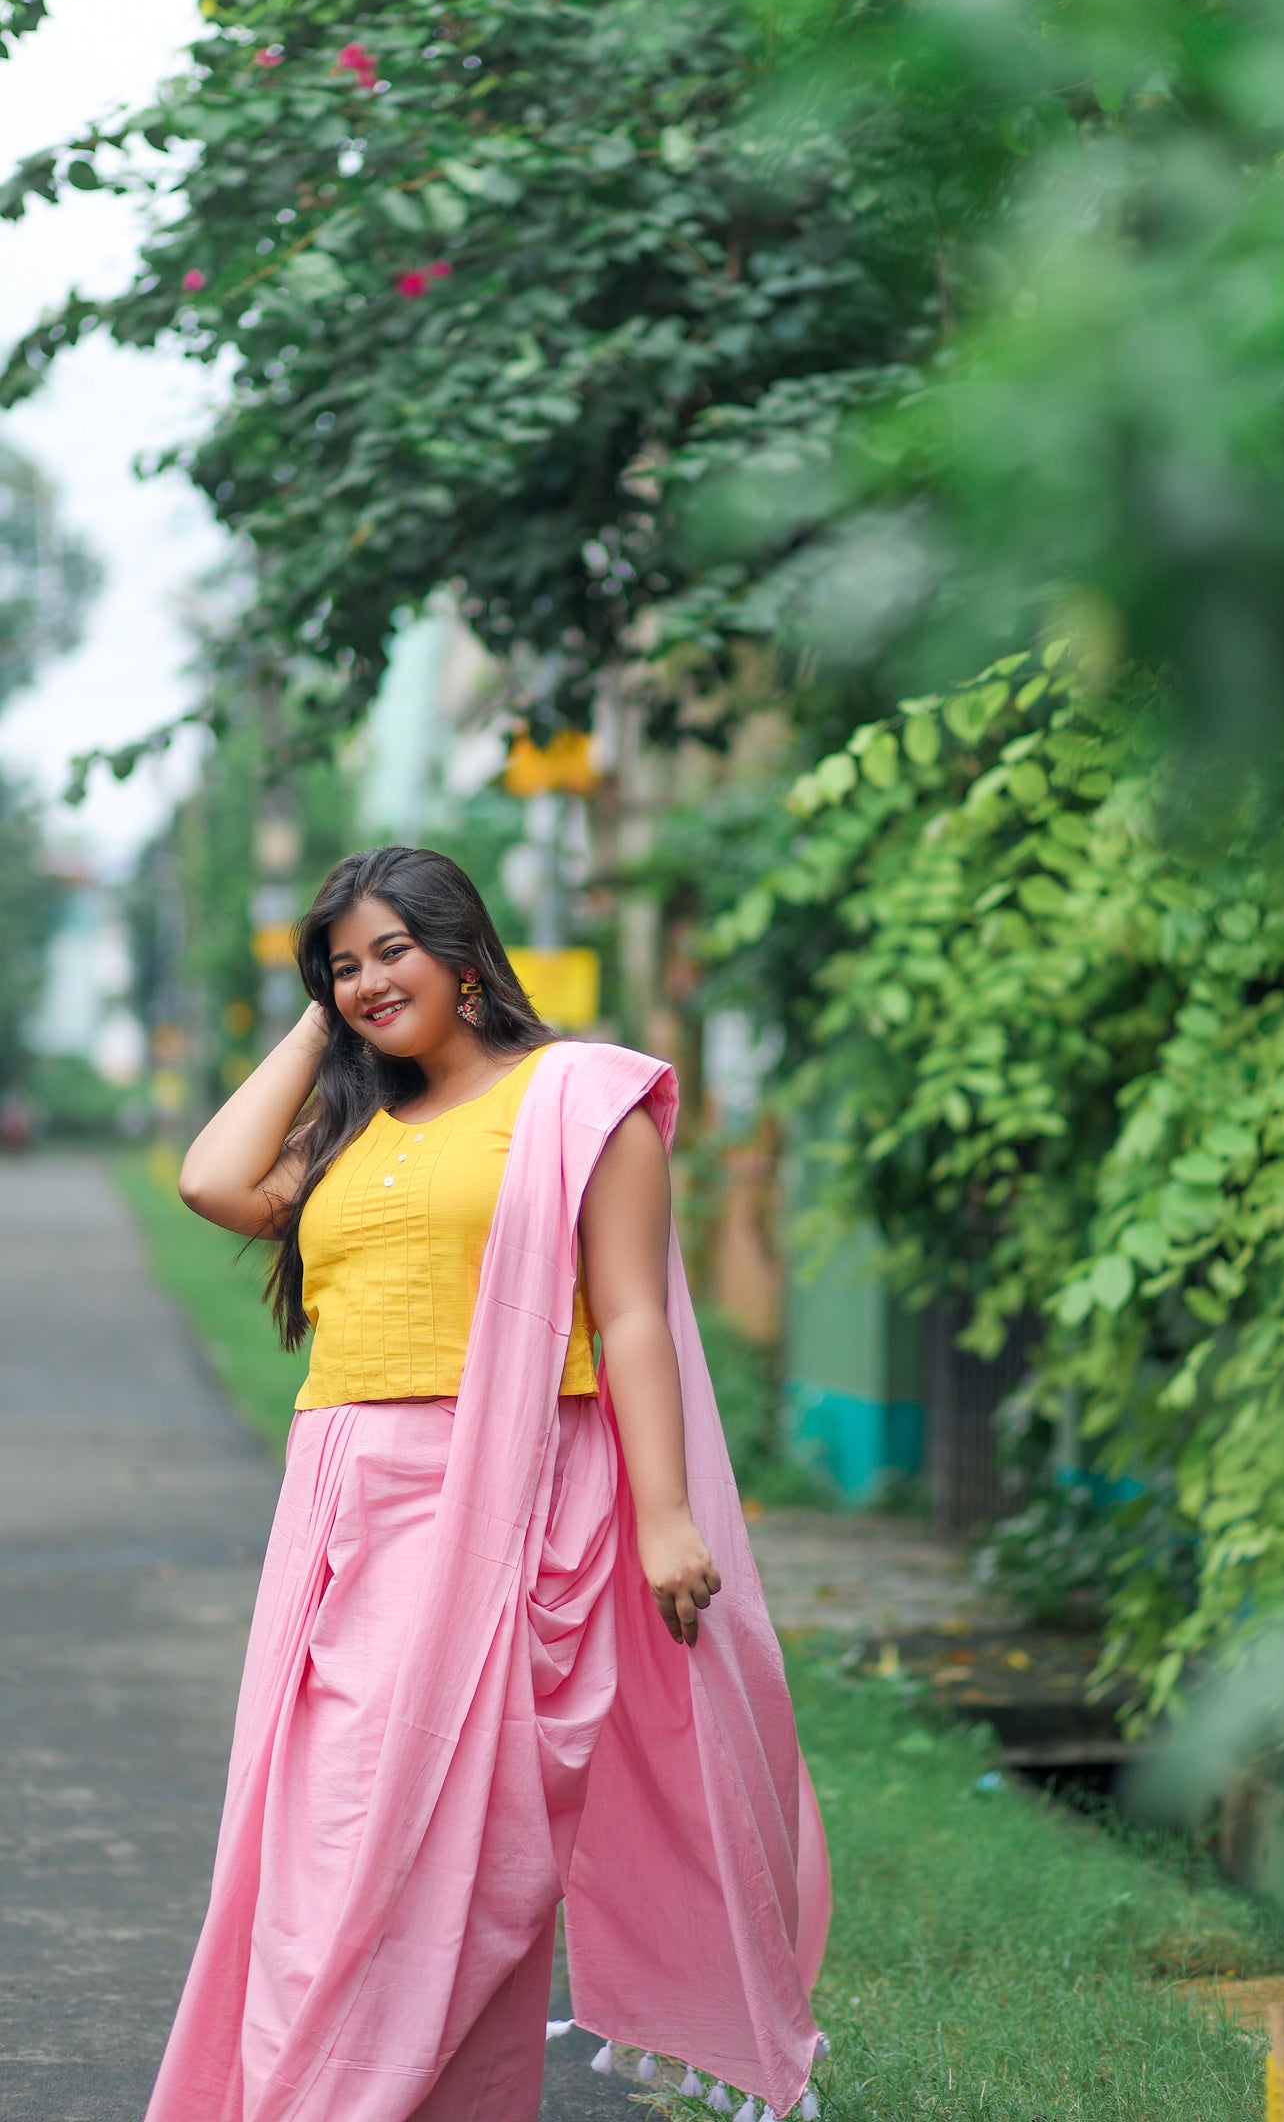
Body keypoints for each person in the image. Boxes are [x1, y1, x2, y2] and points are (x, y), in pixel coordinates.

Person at [144, 844, 828, 2122]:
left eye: (392, 950)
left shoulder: (576, 1097)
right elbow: (211, 1180)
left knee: (464, 1848)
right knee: (319, 1838)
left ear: (467, 953)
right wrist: (320, 1008)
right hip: (345, 1501)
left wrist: (668, 1515)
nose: (365, 982)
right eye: (343, 964)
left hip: (509, 1490)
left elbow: (629, 1316)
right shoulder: (353, 1128)